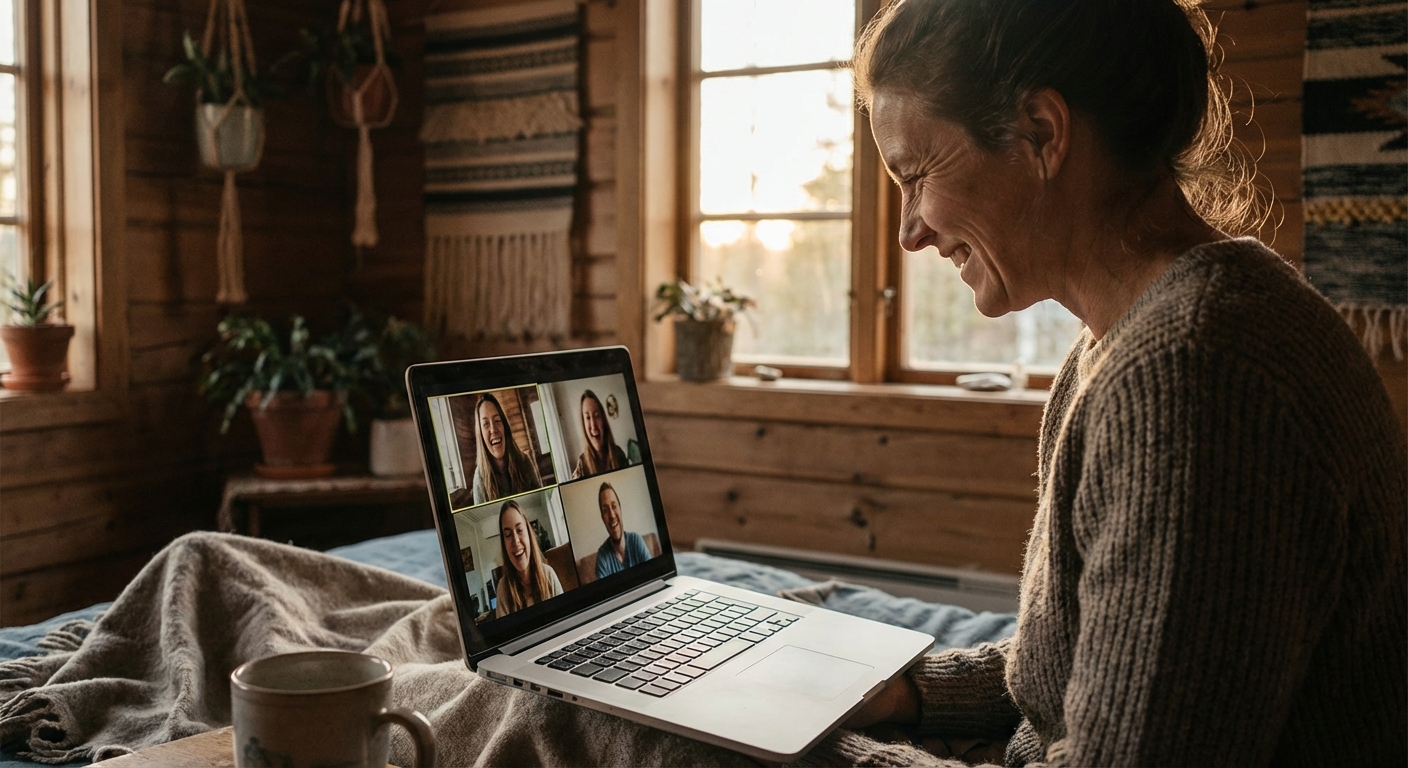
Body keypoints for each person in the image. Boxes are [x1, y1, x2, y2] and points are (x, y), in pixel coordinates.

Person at [812, 0, 1408, 765]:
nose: (909, 232)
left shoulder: (1198, 372)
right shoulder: (1136, 331)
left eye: (917, 174)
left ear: (1042, 134)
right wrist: (911, 691)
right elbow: (1084, 667)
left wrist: (813, 755)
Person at [493, 499, 563, 618]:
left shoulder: (549, 574)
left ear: (529, 534)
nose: (516, 541)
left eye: (519, 530)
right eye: (508, 535)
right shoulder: (503, 589)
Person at [470, 392, 542, 505]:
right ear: (480, 434)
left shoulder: (525, 462)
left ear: (505, 426)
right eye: (486, 424)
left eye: (497, 420)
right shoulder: (479, 478)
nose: (493, 429)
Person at [593, 482, 652, 580]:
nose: (612, 515)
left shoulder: (636, 540)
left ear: (620, 509)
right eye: (605, 510)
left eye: (614, 506)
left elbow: (653, 574)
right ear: (603, 518)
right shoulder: (602, 557)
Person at [570, 390, 630, 479]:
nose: (593, 426)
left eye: (597, 415)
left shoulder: (619, 454)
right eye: (588, 417)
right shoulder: (581, 466)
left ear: (603, 420)